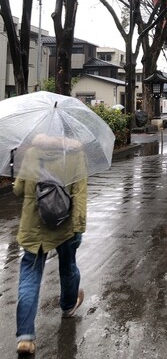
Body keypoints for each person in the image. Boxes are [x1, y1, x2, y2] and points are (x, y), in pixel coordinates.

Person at [13, 135, 87, 356]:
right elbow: (79, 195)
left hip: (33, 227)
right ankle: (68, 306)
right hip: (65, 225)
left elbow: (18, 189)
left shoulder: (32, 153)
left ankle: (25, 337)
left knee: (29, 276)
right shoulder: (76, 155)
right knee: (68, 266)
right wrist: (78, 228)